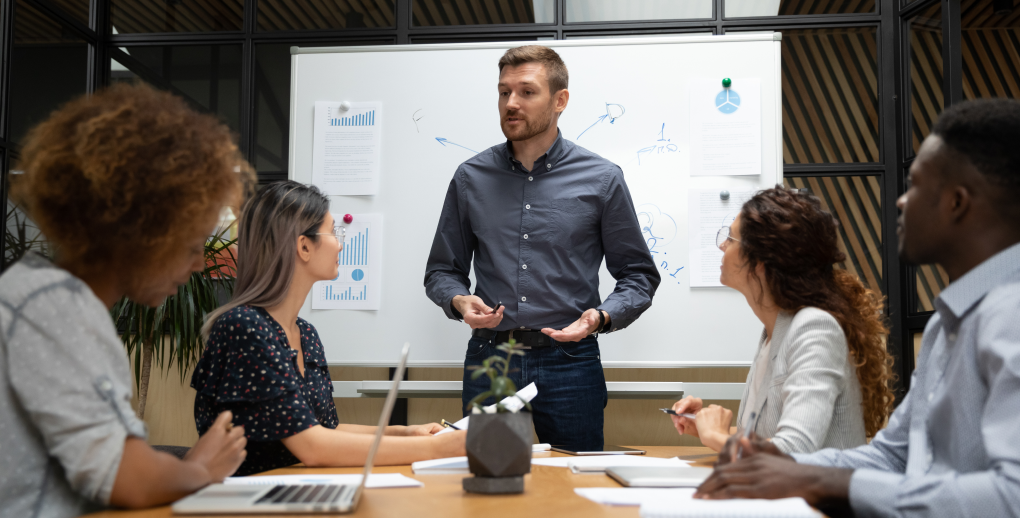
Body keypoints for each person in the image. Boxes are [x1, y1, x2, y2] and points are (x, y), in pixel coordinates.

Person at [693, 99, 1020, 517]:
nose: (901, 201)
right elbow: (890, 457)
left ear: (957, 202)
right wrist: (774, 467)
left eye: (916, 184)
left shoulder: (1010, 316)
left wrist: (814, 477)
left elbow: (1012, 497)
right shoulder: (947, 324)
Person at [0, 83, 250, 517]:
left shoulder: (48, 298)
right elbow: (127, 478)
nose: (197, 266)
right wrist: (202, 468)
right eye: (191, 247)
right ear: (142, 234)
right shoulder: (51, 308)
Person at [424, 45, 660, 450]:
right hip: (491, 358)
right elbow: (442, 271)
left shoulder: (602, 179)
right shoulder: (470, 178)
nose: (511, 103)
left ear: (560, 100)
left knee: (578, 485)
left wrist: (600, 318)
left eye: (526, 92)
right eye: (503, 92)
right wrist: (460, 301)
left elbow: (639, 276)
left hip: (570, 361)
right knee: (488, 487)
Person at [194, 181, 466, 475]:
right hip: (248, 498)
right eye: (333, 232)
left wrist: (404, 433)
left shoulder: (305, 334)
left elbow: (324, 429)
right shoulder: (245, 328)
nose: (340, 243)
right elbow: (313, 446)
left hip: (298, 490)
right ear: (304, 246)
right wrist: (438, 449)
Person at [670, 188, 894, 454]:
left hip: (819, 495)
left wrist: (717, 436)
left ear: (761, 261)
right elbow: (768, 439)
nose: (722, 245)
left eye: (730, 238)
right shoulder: (773, 333)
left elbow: (793, 451)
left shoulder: (815, 328)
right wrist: (703, 426)